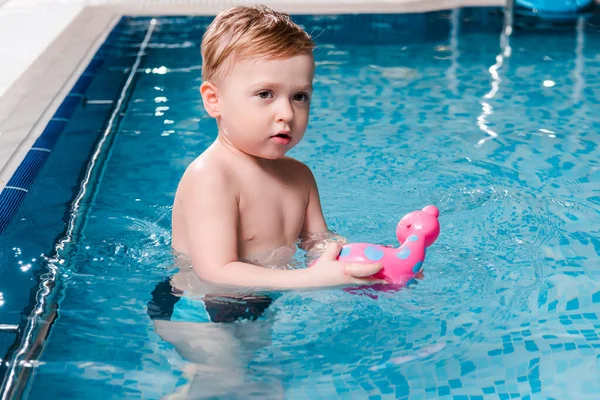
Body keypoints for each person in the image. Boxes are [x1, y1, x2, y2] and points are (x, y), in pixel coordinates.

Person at [171, 4, 385, 289]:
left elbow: (317, 241)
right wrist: (308, 279)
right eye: (265, 94)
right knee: (218, 337)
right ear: (214, 100)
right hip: (198, 305)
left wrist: (366, 265)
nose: (286, 112)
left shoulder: (300, 177)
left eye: (299, 96)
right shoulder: (211, 177)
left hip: (262, 297)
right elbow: (215, 271)